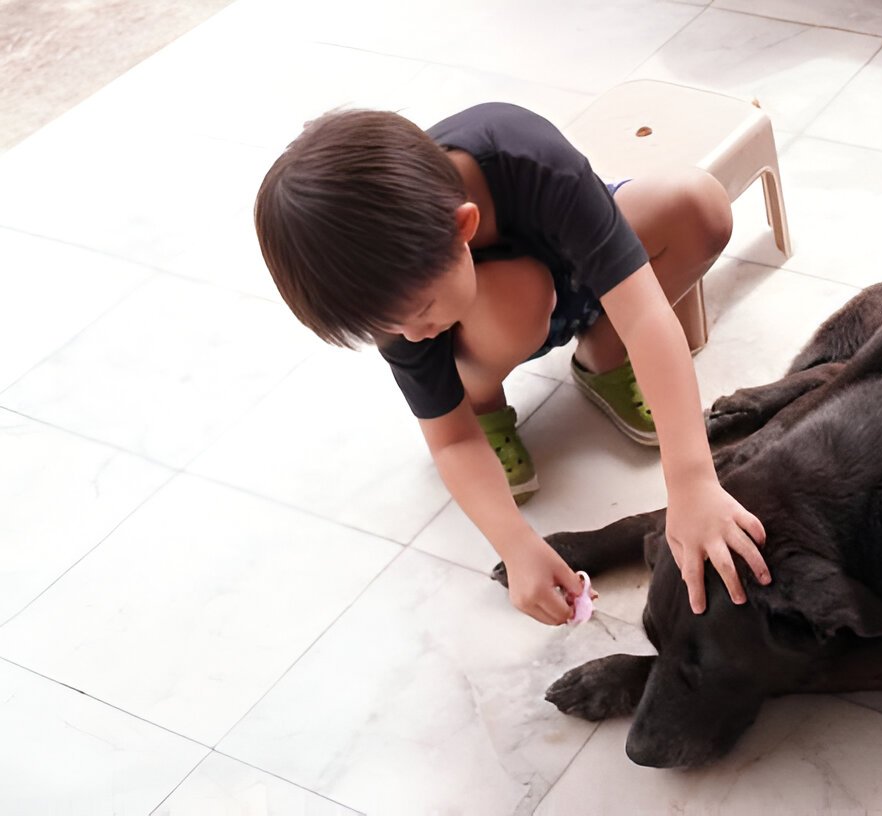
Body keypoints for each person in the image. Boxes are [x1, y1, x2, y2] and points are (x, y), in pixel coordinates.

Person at [254, 103, 769, 625]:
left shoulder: (529, 159)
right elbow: (450, 440)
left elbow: (645, 316)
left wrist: (692, 479)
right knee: (518, 299)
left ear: (464, 227)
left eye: (419, 313)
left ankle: (602, 360)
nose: (410, 336)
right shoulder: (391, 284)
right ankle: (483, 402)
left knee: (700, 206)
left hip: (570, 264)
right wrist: (517, 544)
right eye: (386, 329)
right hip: (504, 314)